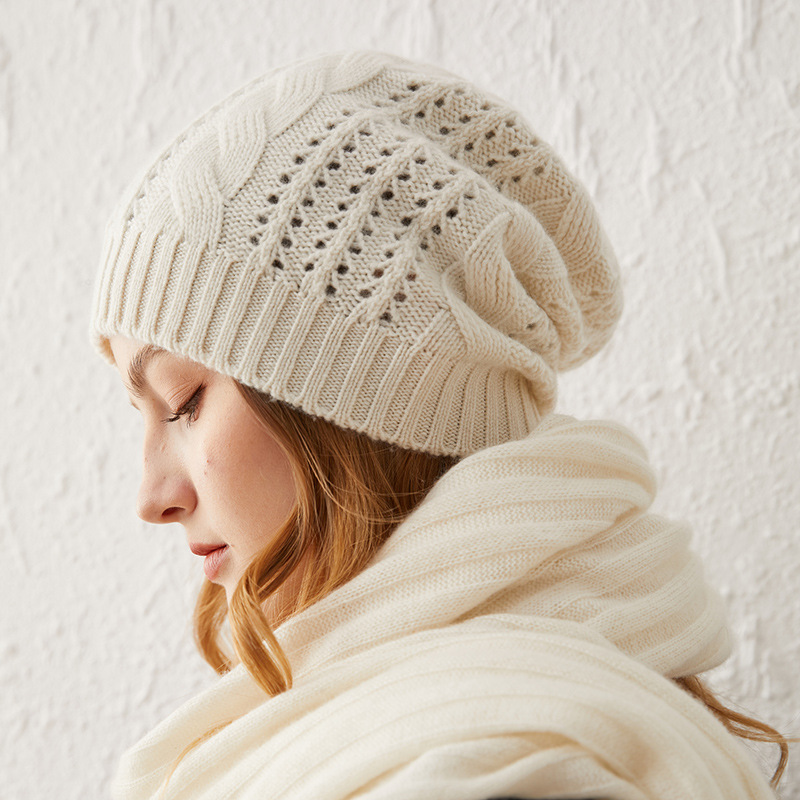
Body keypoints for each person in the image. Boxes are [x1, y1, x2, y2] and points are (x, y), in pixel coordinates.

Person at [90, 50, 790, 799]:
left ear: (356, 400)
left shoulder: (499, 770)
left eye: (185, 401)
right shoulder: (397, 721)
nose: (151, 497)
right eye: (144, 416)